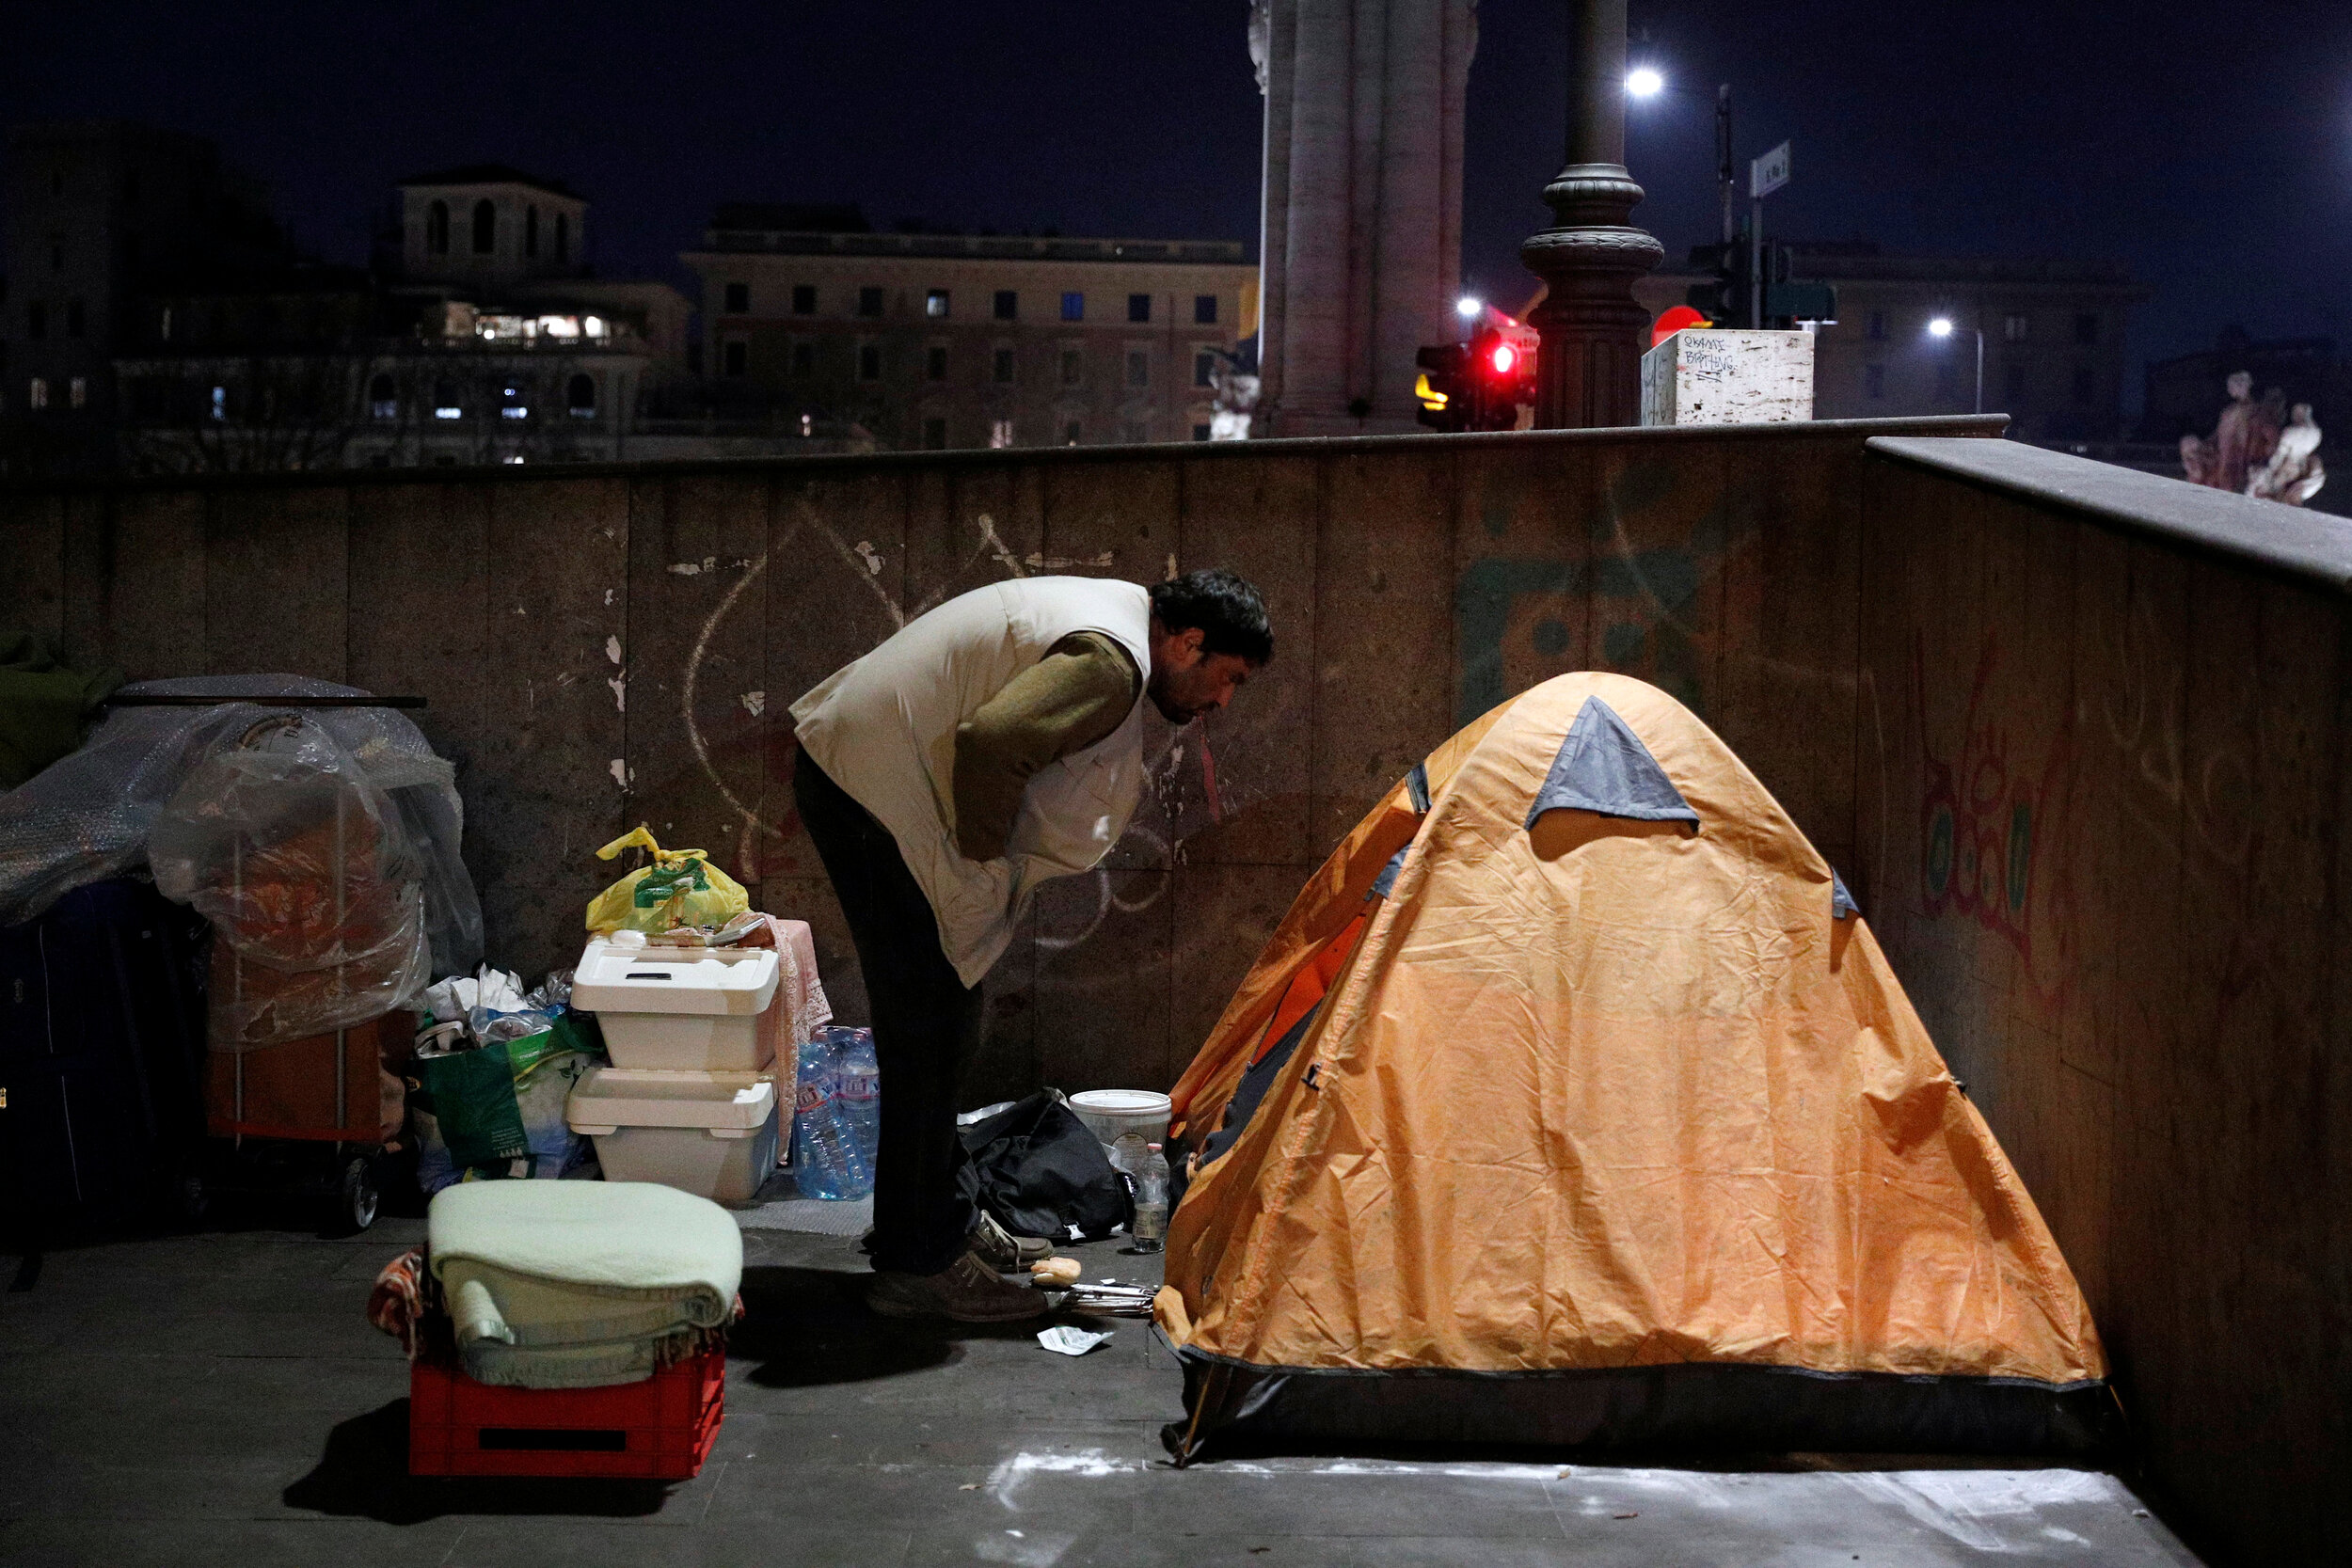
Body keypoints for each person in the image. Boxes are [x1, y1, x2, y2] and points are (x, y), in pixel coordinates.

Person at [788, 568, 1272, 1321]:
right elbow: (995, 741)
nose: (1222, 701)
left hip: (860, 771)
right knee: (932, 1020)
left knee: (943, 1012)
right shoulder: (1113, 664)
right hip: (870, 785)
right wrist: (980, 862)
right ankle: (921, 1261)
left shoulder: (1112, 623)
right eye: (1226, 676)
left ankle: (935, 1224)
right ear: (1187, 641)